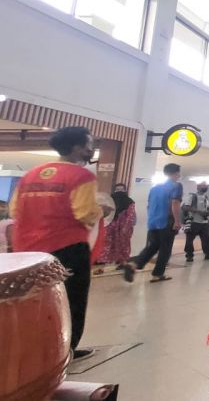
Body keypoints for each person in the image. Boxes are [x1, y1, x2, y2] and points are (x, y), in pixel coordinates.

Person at [10, 126, 103, 360]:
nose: (90, 149)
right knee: (70, 302)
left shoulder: (31, 175)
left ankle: (34, 351)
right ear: (76, 147)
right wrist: (101, 210)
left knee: (36, 302)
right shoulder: (81, 176)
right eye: (88, 144)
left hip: (28, 252)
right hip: (67, 249)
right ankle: (64, 351)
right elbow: (85, 214)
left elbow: (14, 211)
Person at [125, 163, 184, 282]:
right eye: (178, 173)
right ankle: (158, 274)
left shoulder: (155, 188)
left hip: (153, 221)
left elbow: (149, 205)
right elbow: (175, 203)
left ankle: (134, 265)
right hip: (167, 221)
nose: (179, 175)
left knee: (152, 247)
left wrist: (152, 218)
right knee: (165, 249)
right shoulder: (176, 186)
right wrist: (177, 221)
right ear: (176, 173)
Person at [96, 184, 136, 267]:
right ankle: (104, 260)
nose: (120, 191)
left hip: (123, 227)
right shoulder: (108, 201)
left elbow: (131, 215)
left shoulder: (130, 202)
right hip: (109, 226)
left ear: (125, 191)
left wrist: (125, 227)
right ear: (114, 191)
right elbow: (103, 214)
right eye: (117, 189)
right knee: (107, 243)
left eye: (122, 189)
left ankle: (122, 261)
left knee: (123, 244)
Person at [183, 182, 209, 262]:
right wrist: (200, 212)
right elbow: (186, 207)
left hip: (204, 222)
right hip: (194, 221)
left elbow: (207, 208)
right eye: (203, 186)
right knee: (190, 239)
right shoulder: (192, 196)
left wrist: (208, 212)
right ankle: (189, 255)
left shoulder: (206, 197)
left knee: (207, 239)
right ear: (198, 187)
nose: (206, 187)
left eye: (206, 186)